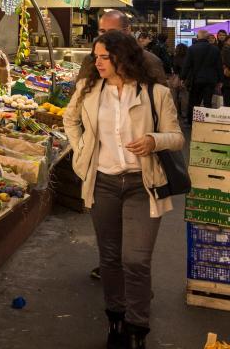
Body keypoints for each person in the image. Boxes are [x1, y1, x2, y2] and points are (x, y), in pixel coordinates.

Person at [63, 31, 184, 349]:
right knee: (110, 258)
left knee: (136, 260)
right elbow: (69, 119)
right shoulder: (88, 90)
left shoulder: (155, 93)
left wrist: (153, 140)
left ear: (124, 57)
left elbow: (176, 136)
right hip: (101, 183)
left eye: (105, 57)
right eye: (96, 57)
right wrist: (81, 152)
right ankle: (115, 318)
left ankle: (137, 327)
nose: (97, 62)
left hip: (142, 185)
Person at [78, 11, 165, 83]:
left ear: (127, 30)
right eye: (102, 31)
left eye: (112, 32)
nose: (106, 36)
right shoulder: (90, 60)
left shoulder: (149, 61)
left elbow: (161, 100)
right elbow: (77, 94)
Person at [181, 29, 222, 123]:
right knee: (208, 101)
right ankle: (207, 121)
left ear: (198, 37)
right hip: (210, 80)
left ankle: (191, 121)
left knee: (194, 102)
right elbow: (219, 66)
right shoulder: (215, 49)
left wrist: (182, 77)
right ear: (207, 38)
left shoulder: (192, 48)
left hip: (196, 79)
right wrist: (220, 80)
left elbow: (187, 65)